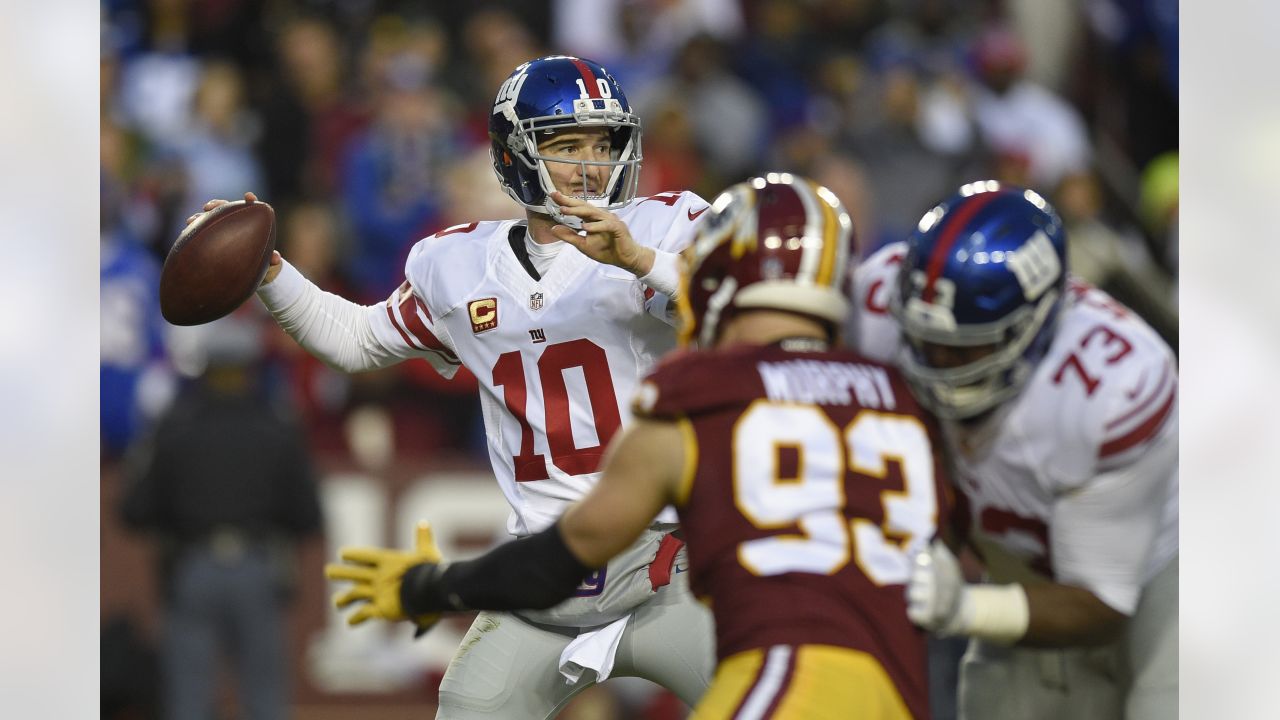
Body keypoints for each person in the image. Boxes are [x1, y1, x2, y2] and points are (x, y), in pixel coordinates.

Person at [192, 55, 715, 717]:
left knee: (792, 700)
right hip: (546, 578)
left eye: (603, 143)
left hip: (675, 563)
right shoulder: (460, 264)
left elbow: (746, 299)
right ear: (515, 158)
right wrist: (270, 275)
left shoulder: (667, 227)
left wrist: (639, 260)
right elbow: (358, 341)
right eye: (565, 144)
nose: (591, 164)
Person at [324, 174, 952, 719]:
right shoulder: (894, 393)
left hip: (770, 666)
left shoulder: (701, 393)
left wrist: (435, 586)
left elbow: (574, 551)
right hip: (893, 675)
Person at [851, 181, 1177, 719]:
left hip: (1163, 566)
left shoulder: (1113, 389)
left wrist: (966, 606)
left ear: (1040, 321)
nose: (938, 365)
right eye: (927, 341)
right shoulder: (876, 298)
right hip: (1020, 554)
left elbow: (1101, 601)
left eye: (964, 347)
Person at [121, 314, 324, 720]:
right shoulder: (277, 429)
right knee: (265, 703)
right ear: (251, 368)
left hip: (192, 568)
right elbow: (307, 516)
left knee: (189, 703)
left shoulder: (176, 427)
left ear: (205, 369)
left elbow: (135, 510)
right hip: (257, 568)